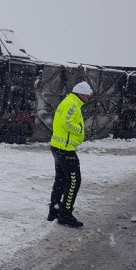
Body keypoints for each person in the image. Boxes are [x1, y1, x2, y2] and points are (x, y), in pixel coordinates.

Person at [48, 81, 92, 228]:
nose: (88, 98)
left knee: (60, 180)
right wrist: (80, 129)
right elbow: (67, 123)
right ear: (81, 94)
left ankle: (54, 211)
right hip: (65, 149)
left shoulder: (68, 101)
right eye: (87, 95)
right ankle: (65, 215)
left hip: (58, 147)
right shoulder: (72, 104)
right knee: (74, 181)